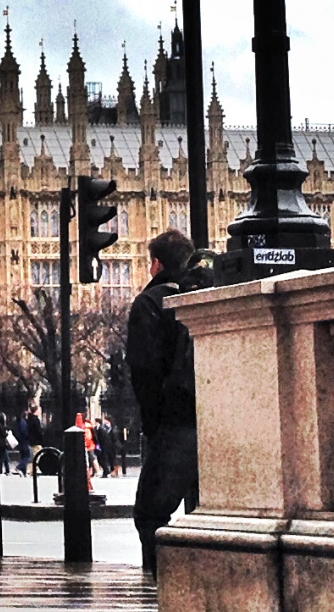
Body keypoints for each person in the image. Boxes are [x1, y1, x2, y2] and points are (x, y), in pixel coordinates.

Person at [126, 228, 202, 577]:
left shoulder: (151, 302)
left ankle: (163, 586)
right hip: (213, 418)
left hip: (175, 422)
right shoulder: (207, 294)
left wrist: (153, 425)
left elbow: (145, 371)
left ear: (156, 264)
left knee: (151, 514)